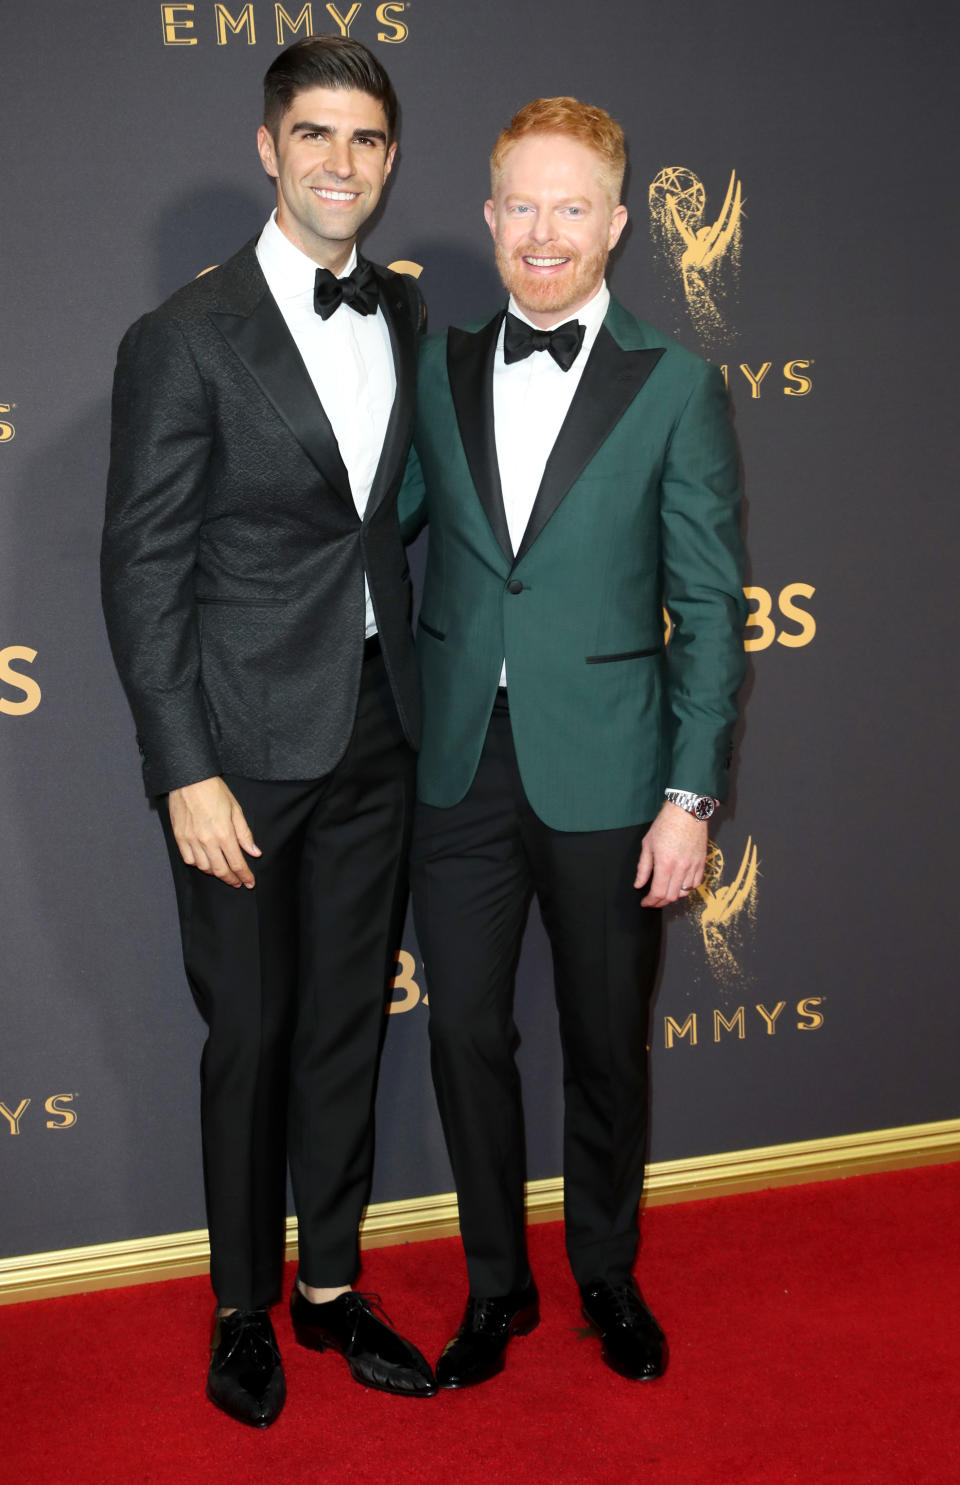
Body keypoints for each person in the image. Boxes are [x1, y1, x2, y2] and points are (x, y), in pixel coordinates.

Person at [101, 35, 436, 1426]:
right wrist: (182, 767)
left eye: (365, 140)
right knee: (249, 1029)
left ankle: (331, 1288)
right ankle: (243, 1308)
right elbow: (140, 564)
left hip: (377, 725)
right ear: (268, 148)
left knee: (346, 1022)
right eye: (315, 136)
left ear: (389, 158)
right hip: (236, 752)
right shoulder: (183, 337)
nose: (340, 164)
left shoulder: (410, 319)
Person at [401, 97, 747, 1389]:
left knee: (607, 1035)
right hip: (455, 765)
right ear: (490, 219)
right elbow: (383, 537)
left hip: (611, 768)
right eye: (520, 206)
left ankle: (605, 1266)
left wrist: (691, 793)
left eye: (571, 207)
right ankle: (498, 1283)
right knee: (463, 1035)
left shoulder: (675, 383)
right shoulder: (436, 368)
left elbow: (710, 602)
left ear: (614, 221)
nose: (543, 233)